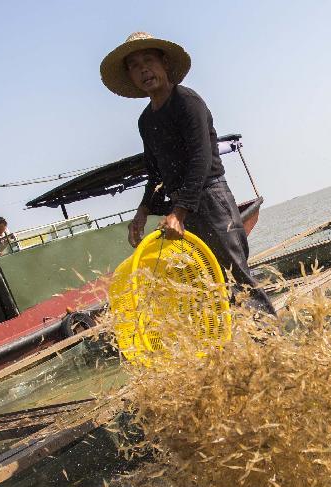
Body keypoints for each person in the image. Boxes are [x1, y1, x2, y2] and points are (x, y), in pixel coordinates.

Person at [100, 32, 275, 315]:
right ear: (131, 76)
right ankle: (243, 351)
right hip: (183, 206)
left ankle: (273, 346)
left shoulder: (187, 102)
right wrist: (143, 210)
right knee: (209, 285)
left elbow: (201, 158)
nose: (143, 69)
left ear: (165, 63)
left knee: (237, 279)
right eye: (134, 66)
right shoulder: (146, 120)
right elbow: (155, 173)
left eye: (149, 60)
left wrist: (178, 213)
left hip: (210, 198)